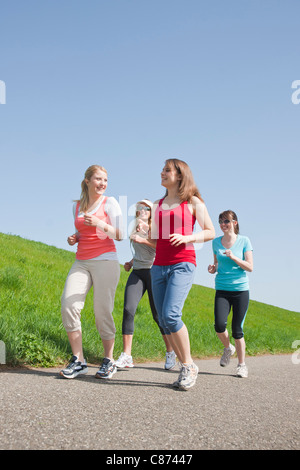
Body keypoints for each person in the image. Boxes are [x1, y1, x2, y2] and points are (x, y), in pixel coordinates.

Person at [151, 158, 215, 390]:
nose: (162, 173)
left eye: (167, 170)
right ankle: (186, 365)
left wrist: (188, 238)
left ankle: (187, 365)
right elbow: (156, 239)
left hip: (182, 263)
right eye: (162, 170)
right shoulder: (158, 204)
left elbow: (210, 231)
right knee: (163, 320)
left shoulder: (192, 201)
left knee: (171, 315)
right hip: (158, 265)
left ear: (180, 175)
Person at [60, 165, 123, 379]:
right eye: (98, 179)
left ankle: (108, 359)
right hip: (82, 261)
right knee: (69, 304)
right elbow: (80, 231)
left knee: (102, 311)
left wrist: (99, 223)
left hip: (106, 260)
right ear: (87, 181)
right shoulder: (77, 206)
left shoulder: (110, 202)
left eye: (105, 180)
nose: (103, 183)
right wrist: (74, 237)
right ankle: (78, 360)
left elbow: (120, 234)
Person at [115, 199, 176, 370]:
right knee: (128, 309)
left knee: (158, 316)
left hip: (154, 272)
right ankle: (127, 355)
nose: (142, 210)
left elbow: (160, 248)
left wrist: (144, 239)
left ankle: (170, 351)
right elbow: (141, 252)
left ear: (152, 212)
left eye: (146, 208)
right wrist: (130, 262)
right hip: (138, 271)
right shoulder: (135, 226)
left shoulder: (154, 228)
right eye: (140, 207)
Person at [208, 210, 253, 378]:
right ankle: (228, 348)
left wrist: (234, 257)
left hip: (240, 290)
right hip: (222, 289)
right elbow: (217, 264)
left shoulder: (244, 241)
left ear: (234, 223)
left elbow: (250, 267)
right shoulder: (216, 243)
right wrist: (213, 268)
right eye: (220, 221)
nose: (222, 224)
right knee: (219, 326)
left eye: (226, 221)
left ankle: (242, 365)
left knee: (237, 330)